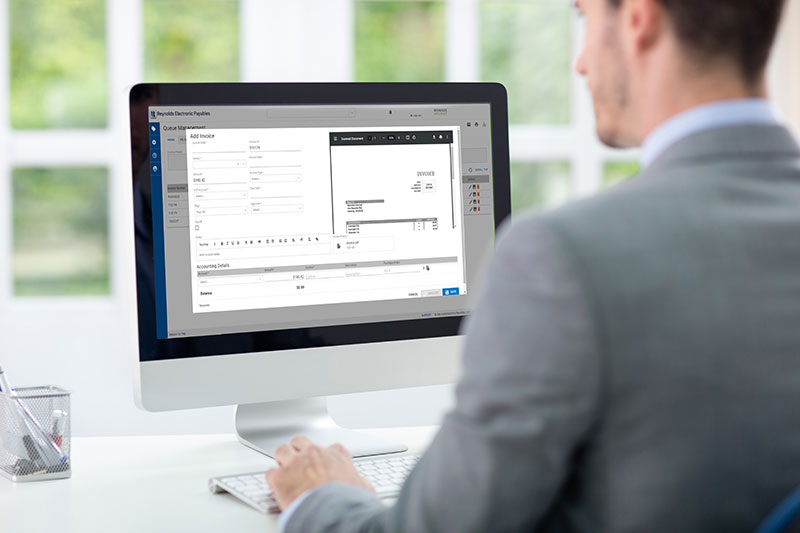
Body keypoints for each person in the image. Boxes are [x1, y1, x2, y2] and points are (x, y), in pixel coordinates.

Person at [266, 0, 800, 531]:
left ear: (639, 19)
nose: (581, 62)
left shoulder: (566, 254)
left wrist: (321, 494)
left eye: (585, 19)